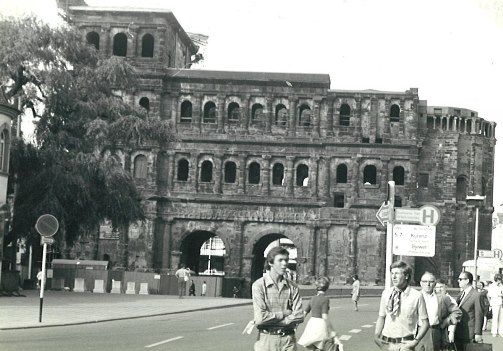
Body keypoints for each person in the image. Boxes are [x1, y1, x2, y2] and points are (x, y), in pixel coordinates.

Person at [252, 246, 304, 351]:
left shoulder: (292, 287)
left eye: (286, 260)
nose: (284, 264)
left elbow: (299, 315)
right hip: (267, 341)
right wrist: (284, 314)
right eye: (280, 260)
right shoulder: (259, 285)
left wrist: (276, 321)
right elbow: (260, 318)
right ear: (270, 263)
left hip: (288, 341)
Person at [374, 260, 430, 351]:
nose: (394, 277)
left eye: (397, 273)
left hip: (405, 345)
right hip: (386, 344)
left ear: (406, 276)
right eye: (392, 273)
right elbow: (381, 317)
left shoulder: (416, 296)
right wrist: (376, 337)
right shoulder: (386, 293)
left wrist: (415, 341)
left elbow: (425, 323)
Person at [416, 272, 461, 351]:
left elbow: (457, 312)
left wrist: (446, 322)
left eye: (431, 282)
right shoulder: (415, 297)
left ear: (435, 284)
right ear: (420, 283)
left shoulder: (442, 298)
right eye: (425, 281)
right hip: (418, 332)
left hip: (435, 332)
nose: (428, 284)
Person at [298, 276, 343, 350]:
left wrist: (296, 324)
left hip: (311, 324)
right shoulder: (325, 299)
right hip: (320, 324)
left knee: (313, 346)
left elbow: (305, 313)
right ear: (327, 287)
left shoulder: (312, 298)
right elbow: (325, 316)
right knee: (323, 345)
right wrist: (332, 330)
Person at [454, 271, 484, 351]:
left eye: (460, 279)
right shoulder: (461, 294)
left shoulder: (476, 295)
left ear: (467, 281)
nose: (458, 281)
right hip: (458, 331)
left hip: (469, 333)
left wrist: (478, 333)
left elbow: (479, 314)